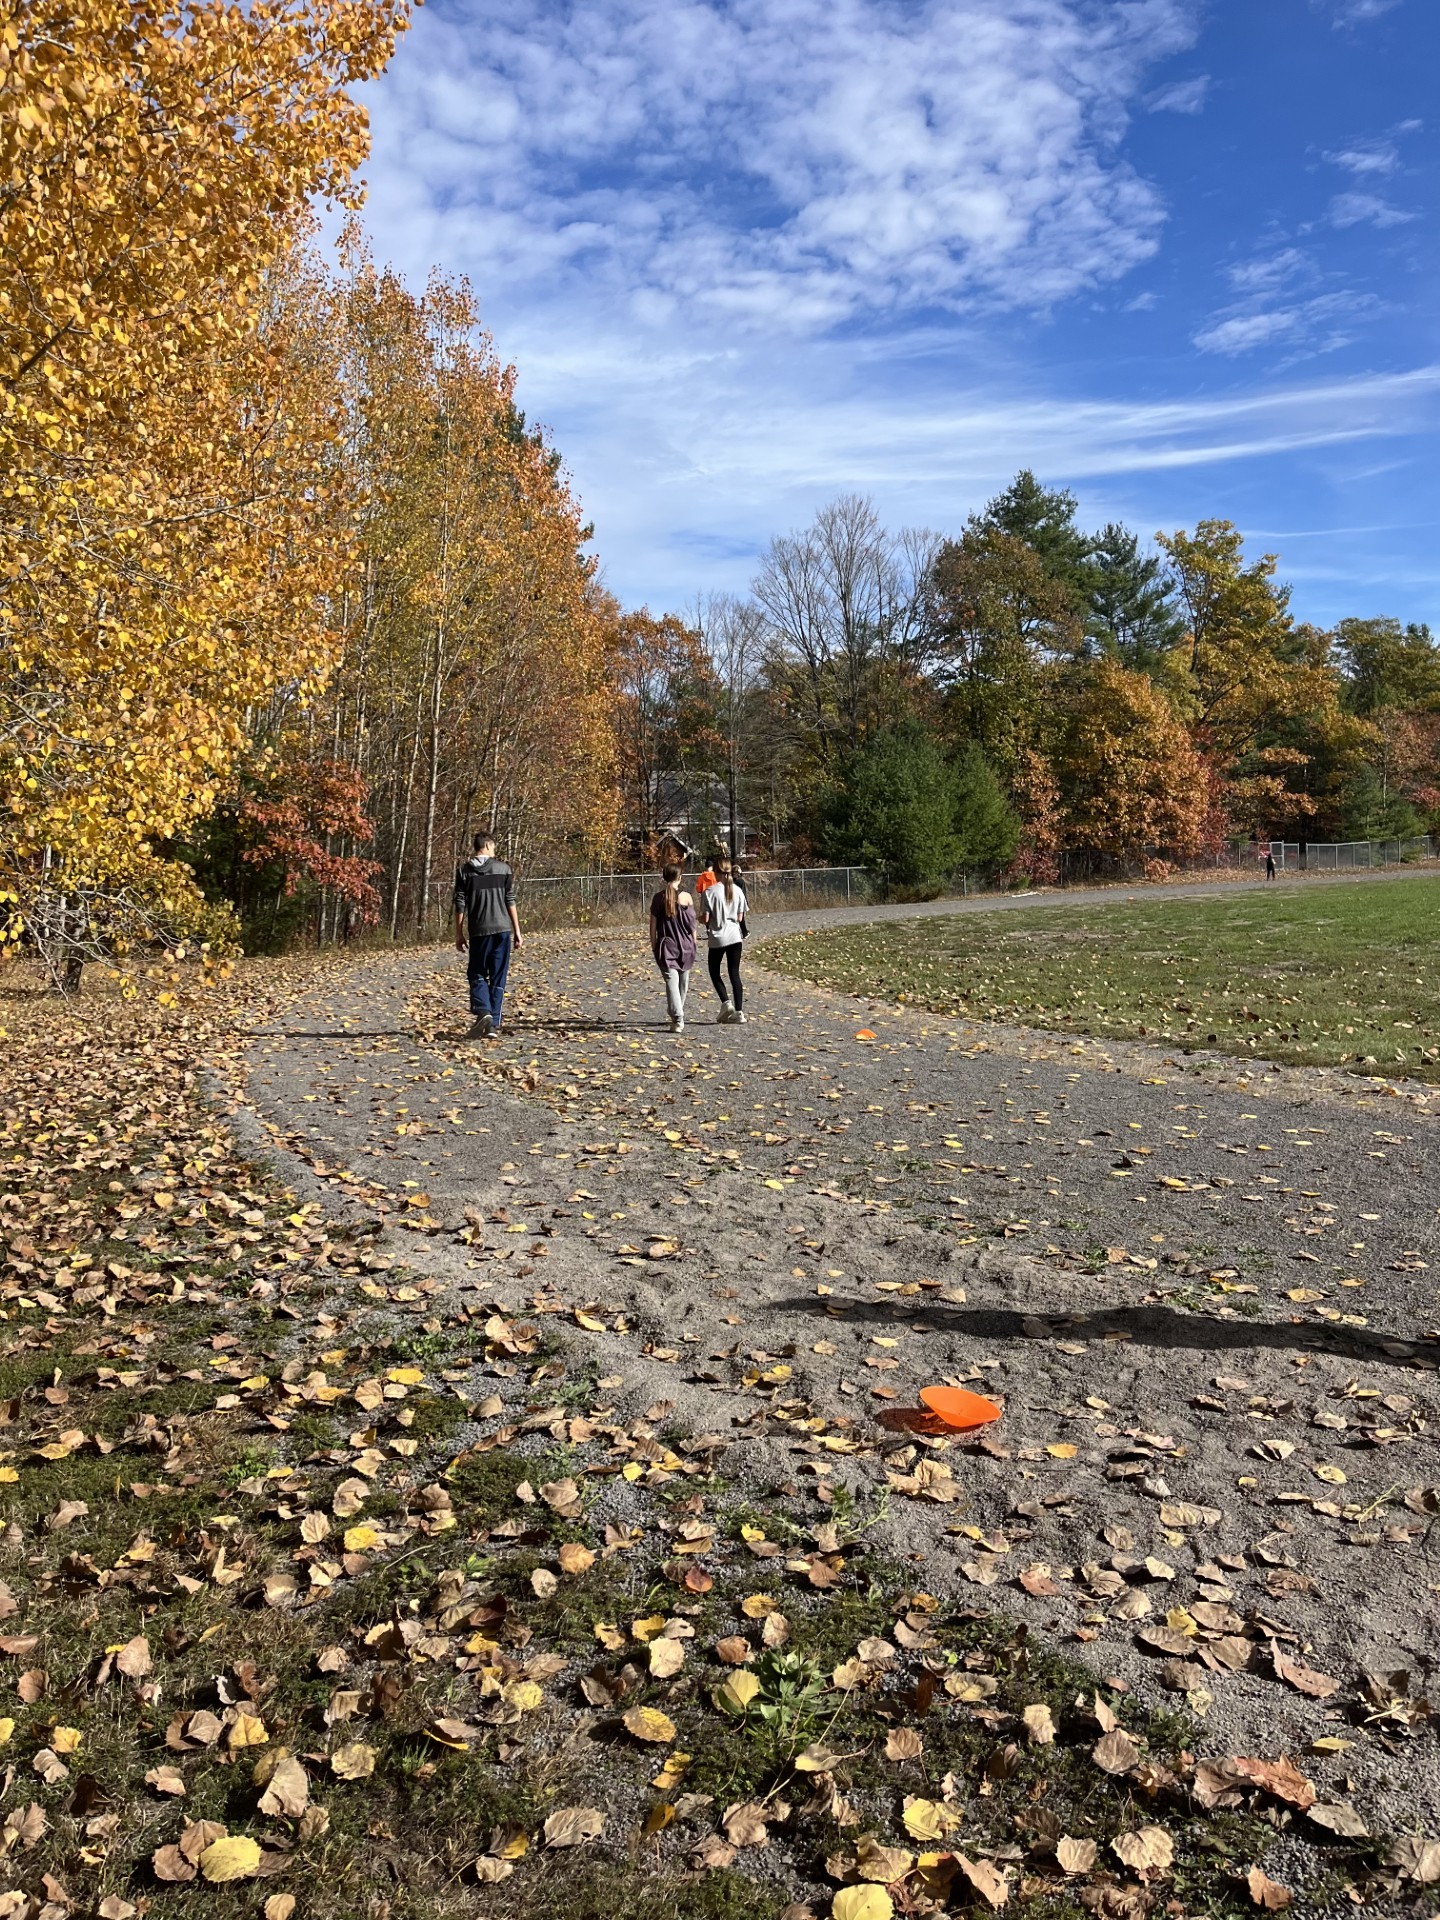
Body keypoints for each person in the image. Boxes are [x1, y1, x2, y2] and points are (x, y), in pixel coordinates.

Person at [453, 831, 522, 1038]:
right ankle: (492, 1022)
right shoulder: (504, 869)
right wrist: (517, 930)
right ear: (489, 845)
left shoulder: (464, 871)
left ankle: (484, 1012)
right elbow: (510, 900)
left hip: (478, 931)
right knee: (498, 976)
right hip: (502, 929)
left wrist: (459, 932)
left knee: (477, 973)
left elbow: (459, 903)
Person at [649, 863, 696, 1032]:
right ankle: (677, 1015)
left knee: (672, 981)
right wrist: (694, 943)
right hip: (686, 945)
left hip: (666, 946)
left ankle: (677, 1017)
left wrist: (654, 946)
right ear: (679, 877)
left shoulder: (657, 898)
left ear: (664, 877)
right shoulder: (687, 897)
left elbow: (653, 926)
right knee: (682, 983)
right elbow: (693, 926)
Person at [703, 856, 748, 1023]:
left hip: (718, 937)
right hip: (735, 936)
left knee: (714, 972)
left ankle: (725, 1002)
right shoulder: (738, 891)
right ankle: (739, 1011)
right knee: (734, 973)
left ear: (716, 872)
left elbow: (706, 918)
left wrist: (700, 918)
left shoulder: (710, 892)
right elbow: (740, 916)